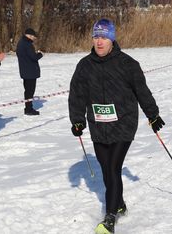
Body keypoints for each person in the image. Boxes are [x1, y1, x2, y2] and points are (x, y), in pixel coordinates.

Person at [68, 19, 165, 234]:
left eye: (104, 37)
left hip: (123, 123)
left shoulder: (128, 64)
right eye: (96, 37)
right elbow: (77, 95)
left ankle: (110, 218)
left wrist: (153, 114)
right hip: (98, 125)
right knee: (106, 171)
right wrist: (77, 120)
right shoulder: (84, 66)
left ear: (112, 39)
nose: (99, 42)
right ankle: (119, 203)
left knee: (113, 168)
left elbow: (142, 92)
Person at [16, 28, 43, 115]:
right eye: (33, 37)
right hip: (30, 71)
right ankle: (28, 109)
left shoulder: (21, 43)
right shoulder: (27, 44)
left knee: (28, 90)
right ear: (30, 35)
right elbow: (34, 57)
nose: (34, 38)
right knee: (30, 91)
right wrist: (40, 54)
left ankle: (28, 108)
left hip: (25, 70)